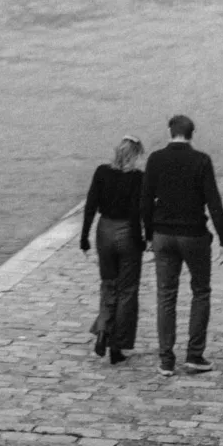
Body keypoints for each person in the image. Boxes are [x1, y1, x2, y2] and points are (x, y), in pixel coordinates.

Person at [140, 114, 223, 376]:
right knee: (200, 292)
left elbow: (145, 200)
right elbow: (213, 202)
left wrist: (147, 237)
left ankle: (166, 360)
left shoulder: (156, 159)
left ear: (170, 131)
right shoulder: (201, 160)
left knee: (165, 295)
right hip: (194, 236)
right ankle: (194, 355)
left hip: (163, 235)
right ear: (192, 134)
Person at [80, 135, 146, 365]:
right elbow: (140, 212)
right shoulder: (138, 178)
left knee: (108, 285)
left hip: (104, 230)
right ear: (136, 155)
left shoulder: (101, 172)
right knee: (127, 291)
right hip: (127, 233)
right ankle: (118, 346)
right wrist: (145, 239)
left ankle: (103, 330)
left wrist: (84, 239)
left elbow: (90, 206)